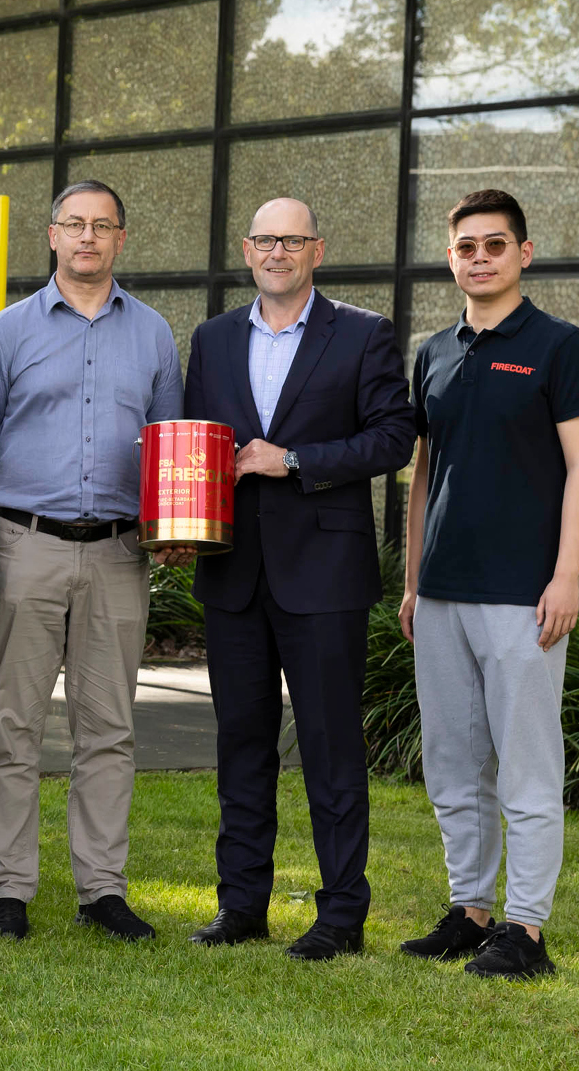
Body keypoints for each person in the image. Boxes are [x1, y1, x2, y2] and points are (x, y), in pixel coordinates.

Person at [179, 199, 414, 960]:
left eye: (293, 239)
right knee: (240, 745)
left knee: (330, 749)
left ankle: (341, 914)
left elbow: (393, 437)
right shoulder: (212, 339)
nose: (278, 251)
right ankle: (240, 905)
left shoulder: (364, 332)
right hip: (232, 573)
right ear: (247, 251)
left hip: (325, 576)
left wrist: (295, 460)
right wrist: (180, 525)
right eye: (265, 240)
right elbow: (195, 447)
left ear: (317, 249)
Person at [0, 180, 184, 943]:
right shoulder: (3, 334)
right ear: (51, 233)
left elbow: (170, 450)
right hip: (25, 543)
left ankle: (101, 889)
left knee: (109, 728)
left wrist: (175, 528)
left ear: (121, 238)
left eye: (103, 226)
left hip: (122, 552)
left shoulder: (155, 334)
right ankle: (9, 890)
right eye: (74, 224)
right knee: (14, 724)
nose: (88, 237)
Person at [399, 189, 578, 980]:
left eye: (494, 245)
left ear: (524, 254)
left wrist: (569, 574)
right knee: (453, 760)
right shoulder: (434, 351)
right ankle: (470, 910)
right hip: (439, 593)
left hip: (522, 593)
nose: (479, 257)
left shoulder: (559, 346)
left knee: (526, 766)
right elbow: (423, 472)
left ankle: (526, 930)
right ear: (451, 258)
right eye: (466, 246)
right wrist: (411, 581)